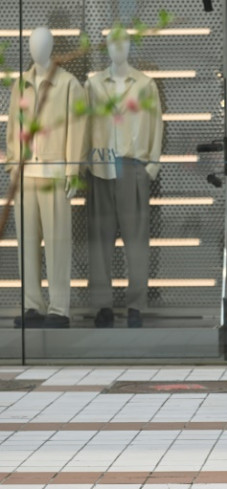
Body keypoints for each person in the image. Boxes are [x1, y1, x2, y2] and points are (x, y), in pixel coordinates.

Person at [6, 27, 86, 328]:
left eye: (42, 44)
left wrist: (72, 170)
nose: (36, 49)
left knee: (57, 242)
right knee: (26, 243)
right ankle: (32, 306)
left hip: (54, 172)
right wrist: (13, 163)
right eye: (32, 44)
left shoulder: (67, 84)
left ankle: (59, 307)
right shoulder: (21, 84)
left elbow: (78, 128)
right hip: (25, 175)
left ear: (52, 47)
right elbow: (13, 124)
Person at [85, 30, 163, 328]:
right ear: (106, 47)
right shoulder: (92, 85)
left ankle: (136, 305)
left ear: (130, 46)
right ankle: (102, 305)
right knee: (100, 242)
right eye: (113, 43)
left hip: (132, 166)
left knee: (136, 241)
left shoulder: (145, 85)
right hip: (100, 167)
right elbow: (84, 124)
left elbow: (156, 124)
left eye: (124, 42)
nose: (119, 48)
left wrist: (151, 166)